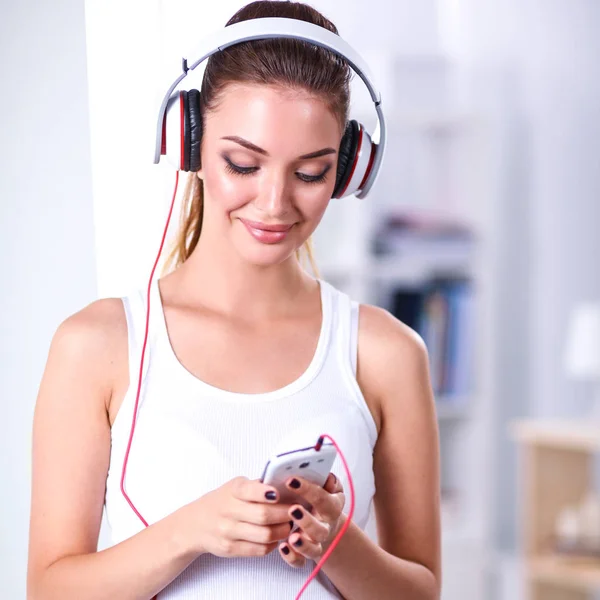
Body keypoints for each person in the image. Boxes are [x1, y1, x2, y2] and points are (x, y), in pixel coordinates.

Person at [26, 1, 441, 599]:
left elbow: (422, 593)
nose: (274, 204)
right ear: (187, 142)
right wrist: (190, 530)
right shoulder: (97, 346)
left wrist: (335, 543)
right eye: (243, 163)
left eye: (309, 173)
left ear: (348, 168)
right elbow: (49, 590)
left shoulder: (386, 353)